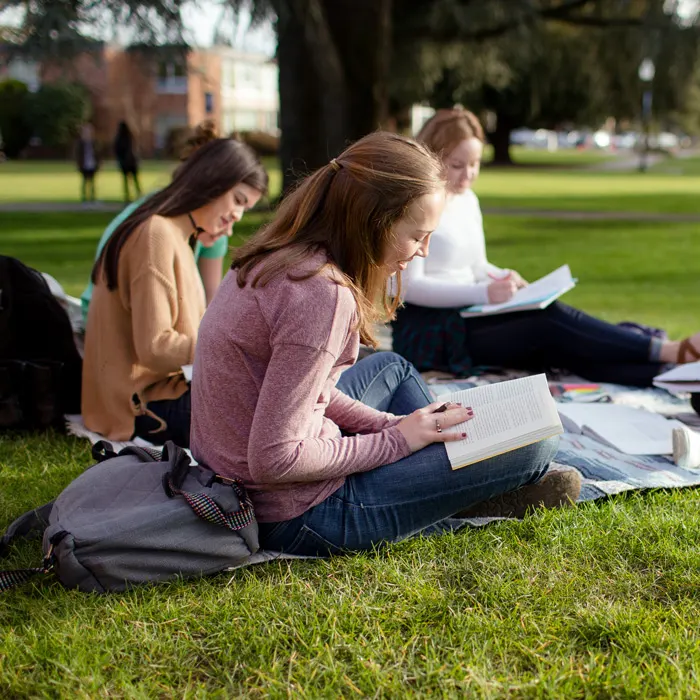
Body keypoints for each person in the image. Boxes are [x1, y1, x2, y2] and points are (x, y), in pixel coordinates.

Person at [189, 131, 578, 558]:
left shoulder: (275, 256)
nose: (424, 251)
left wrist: (393, 424)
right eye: (416, 236)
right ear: (374, 221)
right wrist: (399, 442)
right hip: (297, 513)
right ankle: (456, 487)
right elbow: (276, 459)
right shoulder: (321, 295)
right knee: (538, 441)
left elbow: (304, 391)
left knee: (391, 367)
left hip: (237, 480)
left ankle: (449, 477)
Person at [392, 108, 700, 386]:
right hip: (434, 330)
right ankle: (669, 351)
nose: (468, 174)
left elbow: (476, 266)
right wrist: (484, 293)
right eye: (458, 165)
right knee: (548, 321)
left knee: (558, 347)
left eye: (475, 164)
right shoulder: (420, 205)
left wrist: (502, 277)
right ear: (432, 157)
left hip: (474, 311)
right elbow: (409, 287)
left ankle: (669, 377)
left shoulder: (468, 200)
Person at [82, 134, 268, 446]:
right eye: (237, 200)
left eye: (244, 208)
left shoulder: (178, 234)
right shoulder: (155, 235)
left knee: (284, 401)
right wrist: (235, 346)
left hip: (165, 392)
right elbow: (155, 348)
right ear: (212, 181)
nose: (237, 216)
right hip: (142, 408)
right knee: (278, 413)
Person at [81, 123, 239, 325]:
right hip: (109, 329)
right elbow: (153, 342)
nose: (234, 219)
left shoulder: (212, 228)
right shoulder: (155, 229)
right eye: (237, 200)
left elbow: (209, 307)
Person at [113, 121, 142, 203]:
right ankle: (137, 194)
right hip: (130, 162)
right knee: (134, 179)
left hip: (126, 163)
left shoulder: (120, 139)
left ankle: (128, 195)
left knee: (127, 180)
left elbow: (117, 151)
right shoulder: (129, 138)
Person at [75, 123, 100, 204]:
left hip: (92, 164)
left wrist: (98, 164)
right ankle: (84, 198)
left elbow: (98, 154)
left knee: (92, 182)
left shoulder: (94, 142)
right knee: (85, 182)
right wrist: (79, 164)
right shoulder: (81, 143)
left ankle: (93, 198)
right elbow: (77, 155)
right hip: (84, 165)